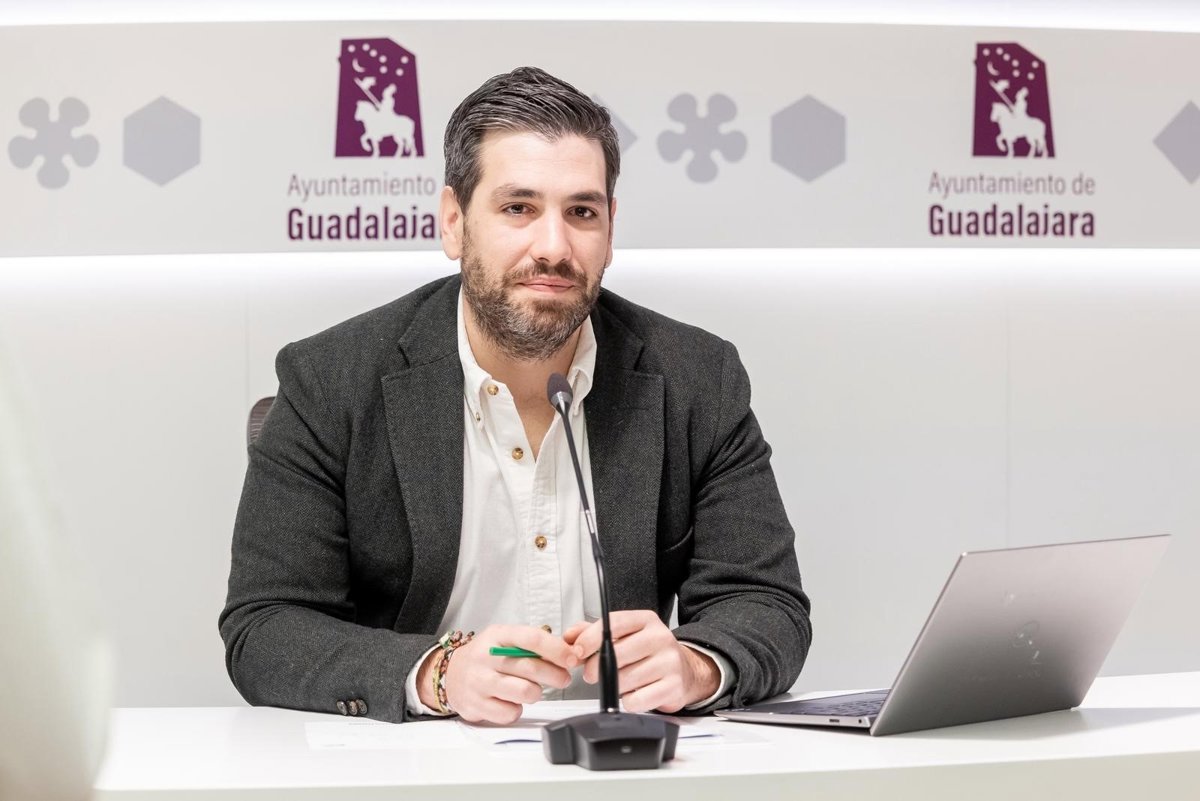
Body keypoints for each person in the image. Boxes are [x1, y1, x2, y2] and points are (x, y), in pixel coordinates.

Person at [220, 66, 811, 724]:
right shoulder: (330, 380)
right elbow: (265, 627)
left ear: (610, 229)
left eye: (581, 212)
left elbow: (767, 604)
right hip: (414, 760)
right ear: (454, 222)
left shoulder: (697, 378)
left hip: (626, 761)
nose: (553, 247)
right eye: (518, 208)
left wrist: (696, 664)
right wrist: (437, 672)